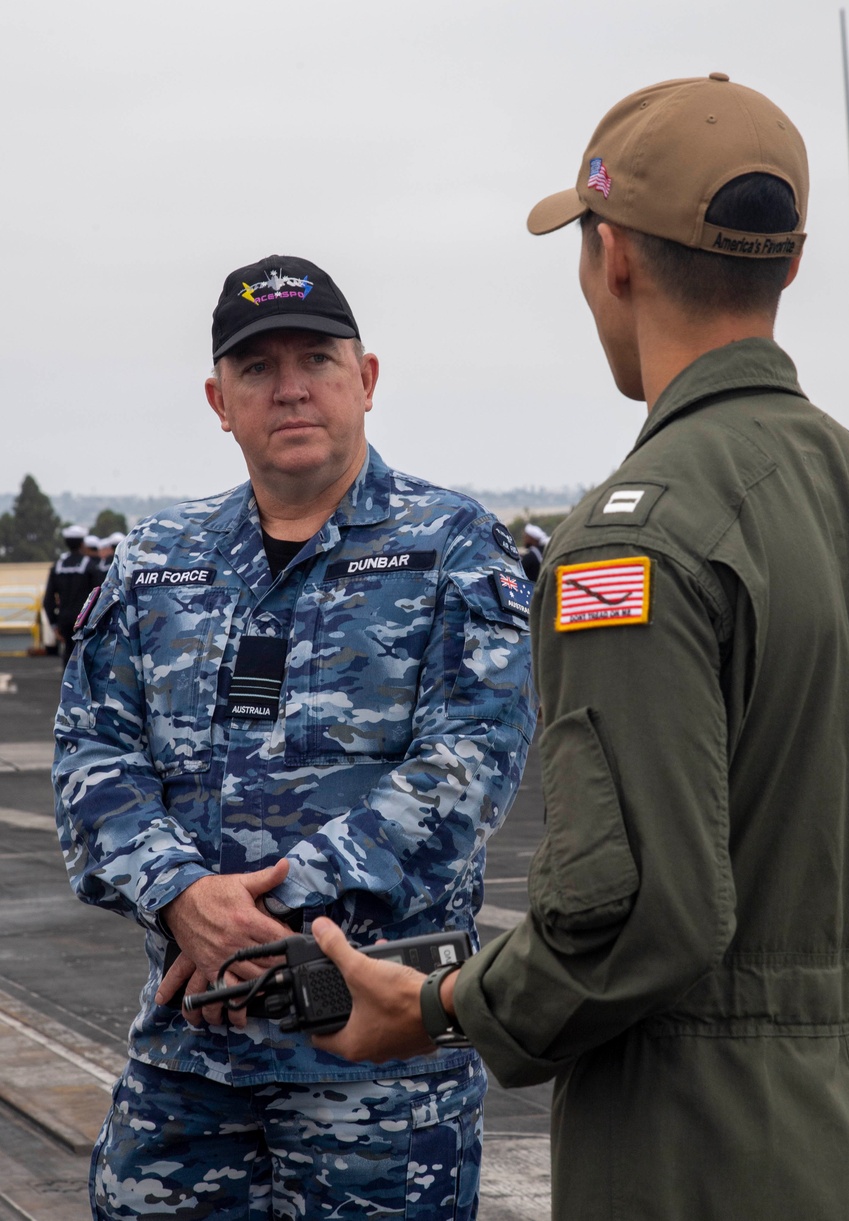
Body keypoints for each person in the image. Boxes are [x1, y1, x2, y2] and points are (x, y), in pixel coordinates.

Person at [307, 74, 849, 1220]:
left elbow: (639, 915)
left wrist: (436, 1005)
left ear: (611, 256)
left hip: (695, 1152)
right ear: (790, 265)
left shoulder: (635, 542)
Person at [52, 254, 537, 1220]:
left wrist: (257, 921)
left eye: (315, 357)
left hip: (380, 1068)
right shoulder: (158, 561)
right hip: (190, 1063)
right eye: (256, 368)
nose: (290, 388)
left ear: (366, 378)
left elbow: (467, 765)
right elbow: (91, 758)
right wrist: (181, 893)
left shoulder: (453, 546)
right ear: (217, 399)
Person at [42, 524, 101, 665]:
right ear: (82, 543)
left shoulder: (57, 566)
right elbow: (99, 593)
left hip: (65, 621)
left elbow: (48, 600)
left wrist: (54, 624)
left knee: (68, 656)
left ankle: (67, 685)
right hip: (86, 619)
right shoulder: (90, 566)